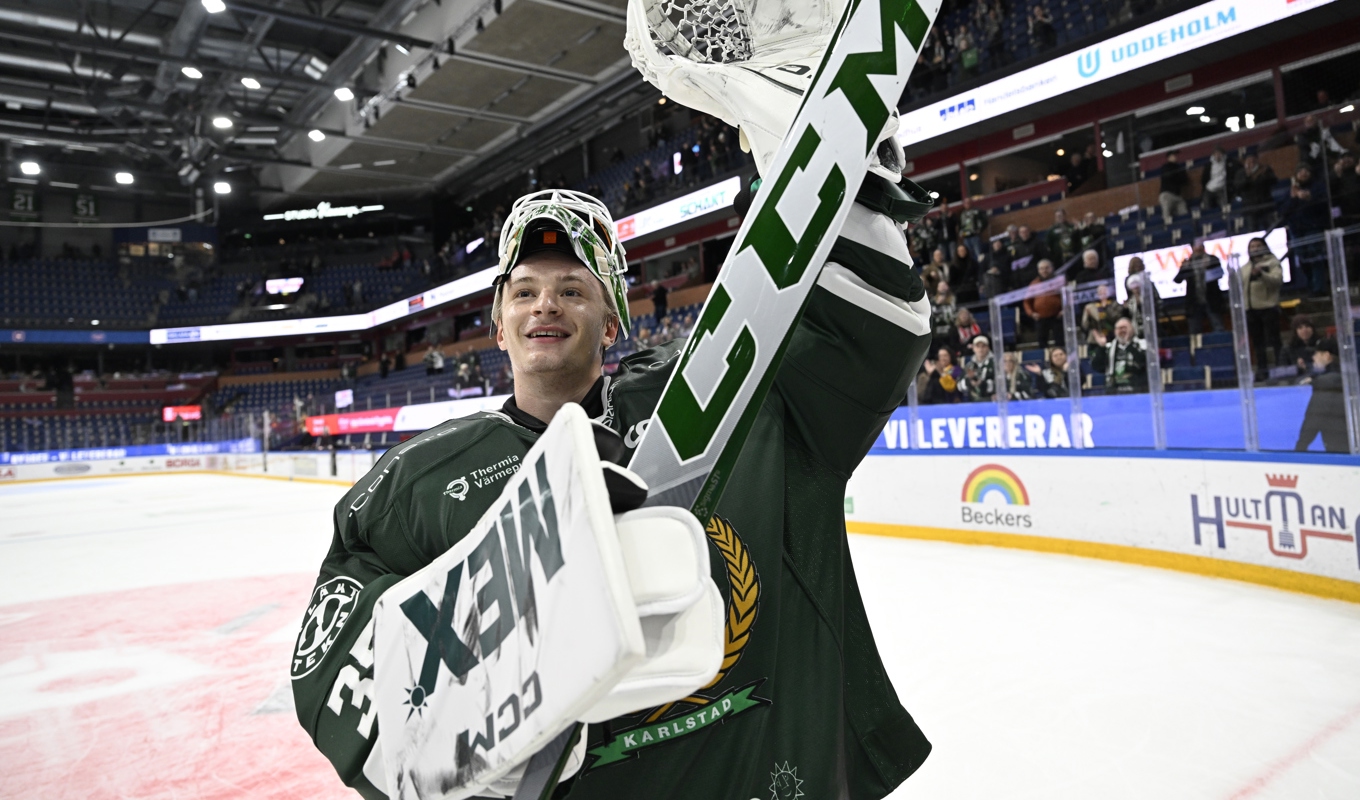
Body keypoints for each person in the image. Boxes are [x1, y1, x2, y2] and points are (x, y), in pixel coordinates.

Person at [290, 185, 934, 799]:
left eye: (573, 290)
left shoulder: (715, 396)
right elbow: (332, 659)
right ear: (498, 324)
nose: (545, 305)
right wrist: (448, 761)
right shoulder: (420, 480)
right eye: (524, 293)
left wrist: (851, 212)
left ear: (611, 324)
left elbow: (853, 357)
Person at [1279, 163, 1331, 295]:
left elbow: (1324, 206)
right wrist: (1293, 198)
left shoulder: (1318, 187)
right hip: (1296, 230)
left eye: (1306, 170)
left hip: (1313, 227)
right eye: (1300, 171)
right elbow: (1283, 211)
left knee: (1315, 257)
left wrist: (1309, 198)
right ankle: (1310, 285)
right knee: (1303, 259)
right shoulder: (1290, 192)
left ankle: (1319, 287)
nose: (1303, 173)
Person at [1294, 339, 1347, 452]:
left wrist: (1300, 448)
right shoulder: (1348, 377)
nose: (1313, 358)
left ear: (1327, 356)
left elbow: (1313, 420)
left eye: (1317, 354)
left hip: (1339, 452)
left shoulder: (1326, 382)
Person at [1243, 237, 1284, 373]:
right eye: (1252, 246)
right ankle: (1262, 370)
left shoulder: (1272, 262)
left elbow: (1277, 281)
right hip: (1250, 309)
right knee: (1257, 343)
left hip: (1268, 307)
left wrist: (1261, 274)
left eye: (1257, 245)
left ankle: (1280, 367)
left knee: (1274, 340)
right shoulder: (1244, 268)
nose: (1255, 249)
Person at [1173, 241, 1224, 334]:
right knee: (1195, 331)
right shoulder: (1189, 262)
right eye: (1195, 246)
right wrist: (1184, 268)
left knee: (1218, 327)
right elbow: (1177, 280)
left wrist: (1208, 267)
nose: (1198, 248)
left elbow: (1220, 274)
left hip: (1211, 299)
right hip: (1194, 302)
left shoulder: (1212, 259)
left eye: (1200, 246)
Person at [1090, 317, 1149, 394]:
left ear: (1132, 329)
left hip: (1137, 389)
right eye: (1119, 328)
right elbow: (1097, 367)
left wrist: (1129, 345)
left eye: (1125, 328)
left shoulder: (1142, 344)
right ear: (1115, 331)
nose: (1122, 330)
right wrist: (1101, 348)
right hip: (1114, 390)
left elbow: (1145, 363)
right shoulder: (1108, 347)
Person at [1233, 153, 1277, 231]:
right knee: (1252, 230)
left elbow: (1274, 181)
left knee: (1272, 227)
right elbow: (1238, 187)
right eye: (1249, 161)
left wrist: (1263, 175)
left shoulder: (1265, 170)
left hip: (1265, 205)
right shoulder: (1241, 173)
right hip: (1250, 207)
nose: (1251, 163)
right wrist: (1248, 176)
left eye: (1253, 161)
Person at [1023, 259, 1062, 347]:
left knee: (1060, 342)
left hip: (1057, 316)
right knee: (1042, 342)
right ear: (1038, 270)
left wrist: (1064, 310)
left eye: (1046, 268)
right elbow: (1027, 301)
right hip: (1040, 318)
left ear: (1052, 268)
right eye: (1041, 268)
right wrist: (1031, 313)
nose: (1044, 270)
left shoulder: (1059, 281)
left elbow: (1068, 297)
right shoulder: (1034, 284)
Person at [963, 334, 997, 401]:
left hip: (991, 400)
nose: (980, 349)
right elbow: (960, 385)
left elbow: (1000, 383)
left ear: (988, 348)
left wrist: (982, 384)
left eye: (983, 346)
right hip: (973, 401)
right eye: (977, 346)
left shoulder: (995, 364)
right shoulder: (969, 365)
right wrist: (969, 381)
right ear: (973, 348)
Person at [1159, 150, 1190, 222]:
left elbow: (1184, 180)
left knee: (1184, 213)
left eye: (1175, 155)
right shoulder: (1165, 167)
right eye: (1173, 156)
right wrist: (1177, 177)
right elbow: (1168, 177)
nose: (1175, 157)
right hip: (1167, 194)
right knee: (1166, 215)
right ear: (1169, 158)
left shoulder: (1179, 167)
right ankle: (1167, 230)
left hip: (1177, 195)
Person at [1200, 146, 1232, 212]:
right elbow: (1204, 178)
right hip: (1209, 189)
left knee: (1224, 207)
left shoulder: (1227, 163)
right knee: (1206, 207)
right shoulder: (1209, 164)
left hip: (1221, 189)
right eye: (1215, 154)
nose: (1217, 155)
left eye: (1219, 153)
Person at [930, 280, 958, 354]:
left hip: (949, 327)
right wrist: (937, 304)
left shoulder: (952, 298)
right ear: (937, 288)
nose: (942, 288)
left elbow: (953, 312)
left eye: (944, 285)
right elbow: (932, 314)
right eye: (941, 286)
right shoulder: (933, 300)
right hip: (937, 328)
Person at [958, 197, 989, 261]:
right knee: (969, 255)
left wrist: (980, 230)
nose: (967, 204)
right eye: (966, 203)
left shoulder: (976, 211)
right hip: (966, 237)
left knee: (978, 253)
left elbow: (984, 221)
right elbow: (960, 225)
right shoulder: (962, 213)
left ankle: (981, 266)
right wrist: (960, 232)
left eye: (969, 203)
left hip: (975, 236)